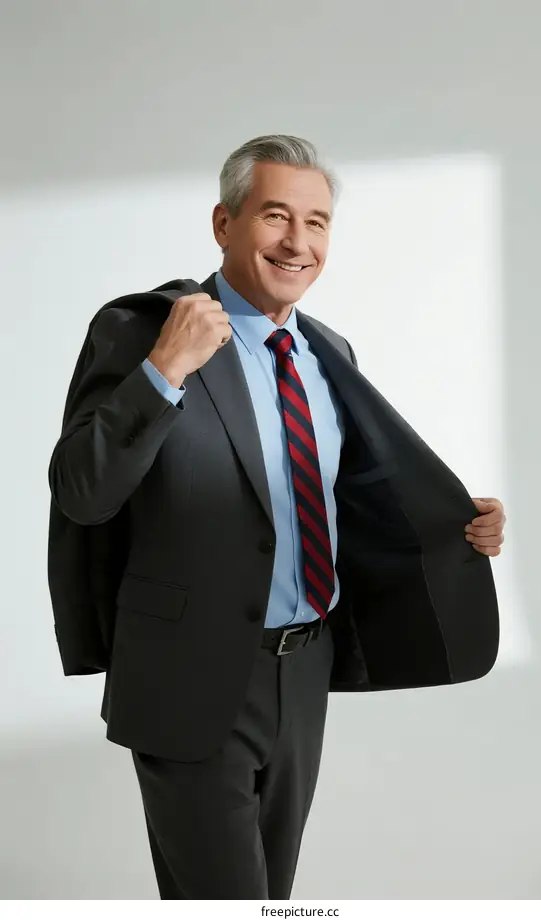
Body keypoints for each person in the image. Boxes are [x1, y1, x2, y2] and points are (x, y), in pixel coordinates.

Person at [47, 134, 506, 900]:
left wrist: (459, 524)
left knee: (273, 899)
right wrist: (166, 370)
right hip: (189, 672)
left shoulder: (329, 353)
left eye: (317, 222)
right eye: (275, 216)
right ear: (224, 224)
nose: (298, 242)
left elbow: (349, 501)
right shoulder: (140, 331)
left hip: (305, 672)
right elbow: (83, 491)